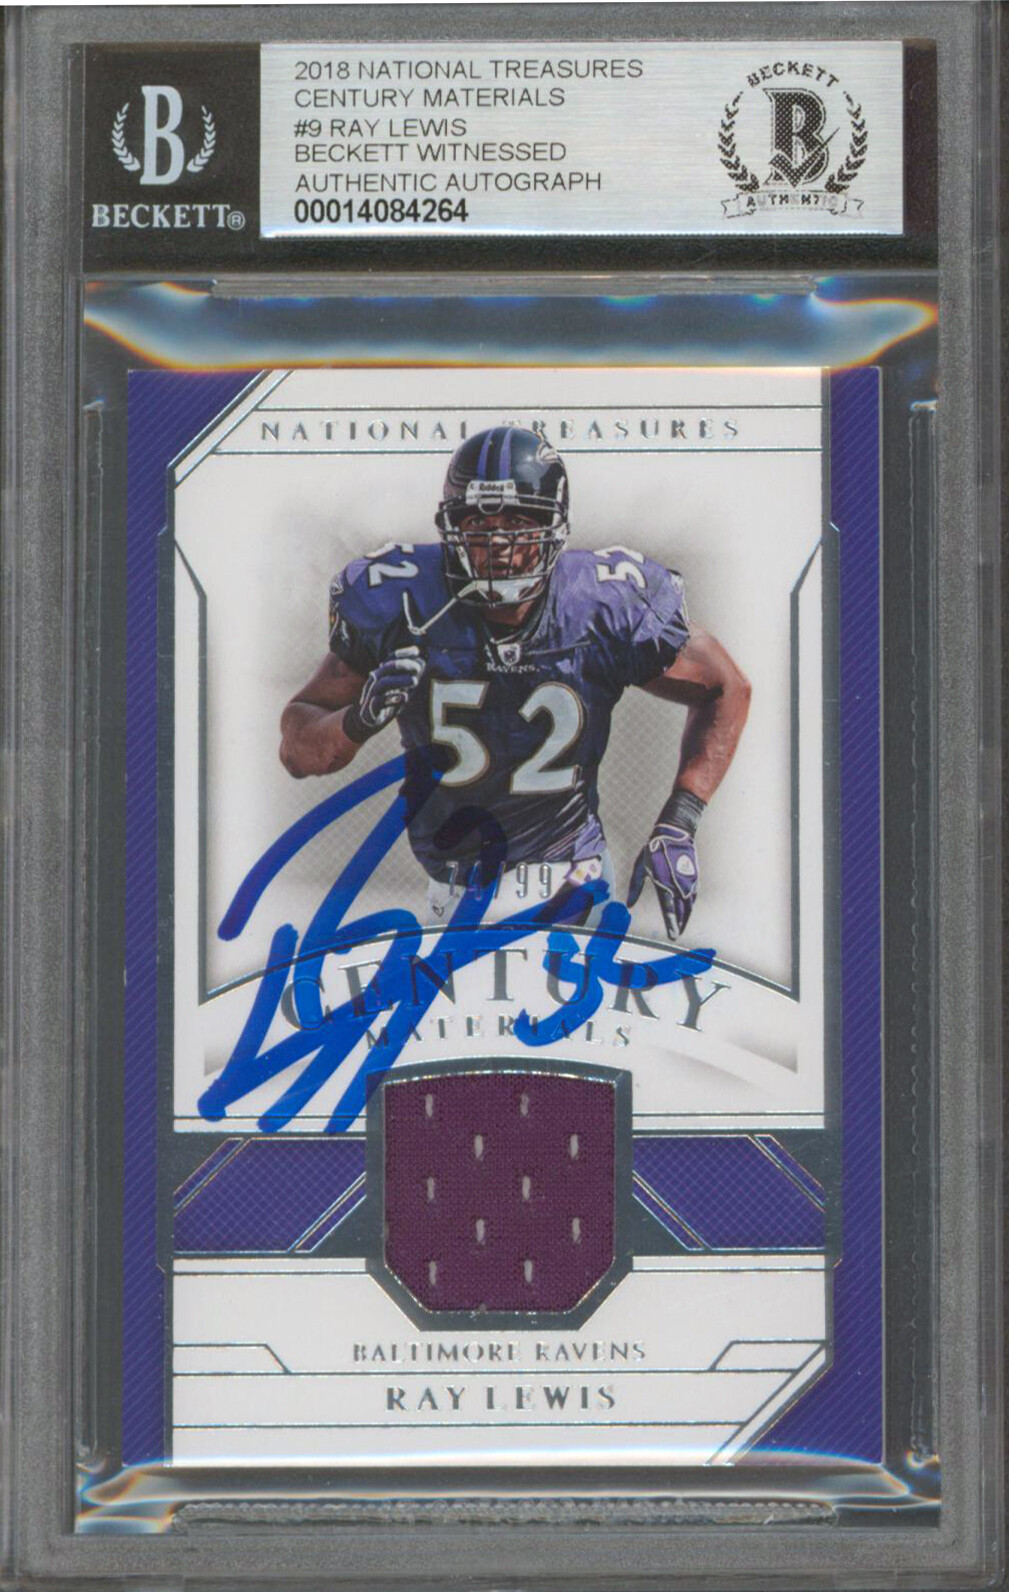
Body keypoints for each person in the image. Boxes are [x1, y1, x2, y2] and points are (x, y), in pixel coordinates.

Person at [279, 426, 750, 940]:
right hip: (452, 895)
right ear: (450, 525)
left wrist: (680, 821)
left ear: (554, 526)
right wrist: (358, 720)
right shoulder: (404, 602)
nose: (498, 542)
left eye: (519, 521)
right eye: (478, 522)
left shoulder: (601, 605)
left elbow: (727, 687)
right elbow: (297, 750)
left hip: (573, 885)